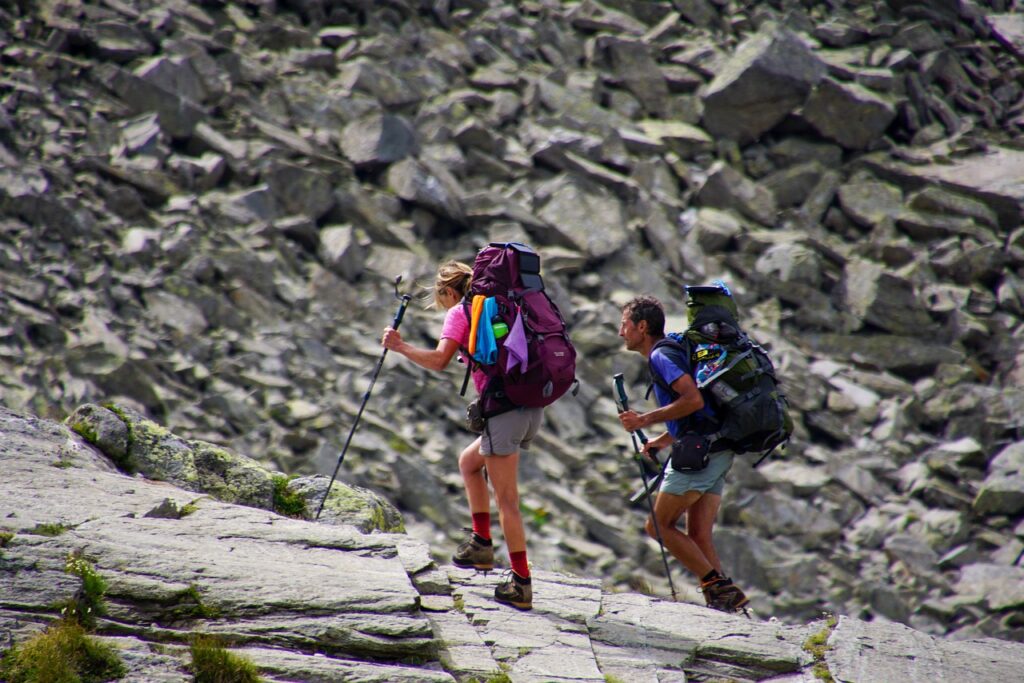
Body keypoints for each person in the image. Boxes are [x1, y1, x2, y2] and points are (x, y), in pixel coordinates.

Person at [381, 260, 541, 610]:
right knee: (469, 463)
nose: (441, 306)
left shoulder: (461, 311)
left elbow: (440, 361)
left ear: (449, 292)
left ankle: (521, 583)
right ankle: (481, 545)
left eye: (440, 299)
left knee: (508, 502)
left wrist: (401, 347)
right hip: (529, 407)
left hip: (504, 408)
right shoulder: (504, 306)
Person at [617, 295, 749, 612]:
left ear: (642, 326)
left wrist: (644, 419)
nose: (621, 332)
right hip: (717, 449)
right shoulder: (674, 351)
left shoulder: (661, 356)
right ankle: (726, 607)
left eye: (625, 324)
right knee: (699, 535)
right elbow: (695, 408)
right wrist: (663, 439)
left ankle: (721, 590)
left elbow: (693, 400)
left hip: (699, 455)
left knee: (658, 526)